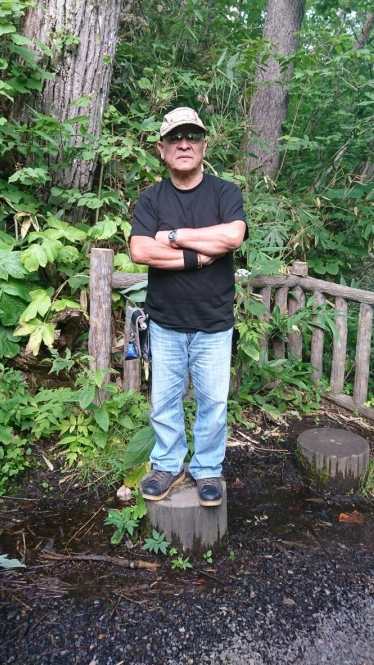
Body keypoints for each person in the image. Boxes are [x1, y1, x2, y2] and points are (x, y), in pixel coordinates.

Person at [130, 107, 247, 507]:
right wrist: (198, 255)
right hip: (165, 322)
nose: (184, 144)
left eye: (192, 136)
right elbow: (140, 251)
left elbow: (232, 237)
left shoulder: (224, 193)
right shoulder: (151, 199)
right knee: (164, 402)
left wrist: (173, 236)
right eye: (175, 137)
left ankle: (208, 468)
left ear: (204, 146)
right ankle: (167, 464)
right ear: (161, 149)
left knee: (213, 403)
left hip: (214, 322)